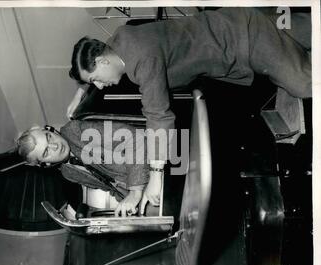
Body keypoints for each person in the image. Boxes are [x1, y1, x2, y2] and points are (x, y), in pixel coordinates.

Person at [67, 7, 312, 208]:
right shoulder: (120, 40)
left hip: (245, 41)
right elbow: (94, 56)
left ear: (102, 61)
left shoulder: (142, 59)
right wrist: (80, 91)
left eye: (95, 79)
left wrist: (155, 177)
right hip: (235, 25)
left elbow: (159, 116)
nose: (99, 86)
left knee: (306, 86)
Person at [16, 120, 150, 217]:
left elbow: (134, 137)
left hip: (156, 170)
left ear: (50, 129)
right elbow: (110, 186)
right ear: (45, 164)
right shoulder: (68, 173)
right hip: (143, 196)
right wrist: (125, 202)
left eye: (49, 137)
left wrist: (135, 192)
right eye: (46, 152)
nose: (55, 146)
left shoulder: (75, 130)